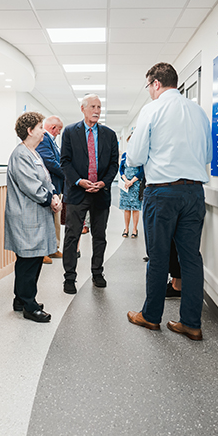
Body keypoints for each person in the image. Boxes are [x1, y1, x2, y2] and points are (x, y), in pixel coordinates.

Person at [126, 62, 212, 341]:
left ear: (155, 84)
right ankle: (191, 323)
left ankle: (151, 317)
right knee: (191, 259)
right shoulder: (198, 112)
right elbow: (208, 155)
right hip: (194, 193)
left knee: (159, 257)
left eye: (149, 87)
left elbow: (136, 157)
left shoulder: (152, 109)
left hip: (162, 193)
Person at [4, 112, 62, 323]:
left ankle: (21, 300)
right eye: (40, 127)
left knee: (32, 259)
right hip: (26, 216)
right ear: (29, 131)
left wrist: (54, 194)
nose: (43, 131)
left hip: (36, 215)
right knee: (28, 261)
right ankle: (29, 305)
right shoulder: (21, 154)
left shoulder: (33, 153)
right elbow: (31, 186)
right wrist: (50, 199)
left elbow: (45, 180)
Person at [60, 94, 119, 294]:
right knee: (72, 236)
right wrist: (79, 181)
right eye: (93, 106)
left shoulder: (109, 135)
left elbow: (113, 164)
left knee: (99, 236)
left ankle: (97, 273)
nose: (96, 110)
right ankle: (69, 278)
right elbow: (65, 162)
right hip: (77, 192)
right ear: (83, 109)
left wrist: (103, 182)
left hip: (100, 193)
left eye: (99, 107)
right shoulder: (69, 132)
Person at [35, 115, 65, 262]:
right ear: (53, 128)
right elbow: (50, 162)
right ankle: (44, 252)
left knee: (55, 219)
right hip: (49, 187)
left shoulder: (50, 141)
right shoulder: (44, 139)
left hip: (56, 186)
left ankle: (53, 248)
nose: (59, 133)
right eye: (59, 130)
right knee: (47, 219)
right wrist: (67, 174)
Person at [119, 135, 144, 238]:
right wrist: (126, 180)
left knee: (135, 208)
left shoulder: (139, 155)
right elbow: (121, 169)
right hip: (125, 185)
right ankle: (126, 228)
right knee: (126, 208)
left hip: (135, 184)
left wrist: (132, 181)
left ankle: (134, 229)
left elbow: (142, 171)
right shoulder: (125, 155)